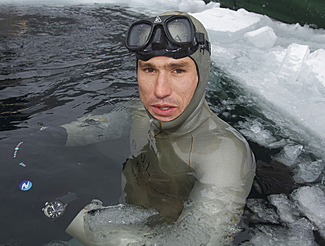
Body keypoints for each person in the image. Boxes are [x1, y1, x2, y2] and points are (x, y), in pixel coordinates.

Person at [41, 11, 256, 245]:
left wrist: (65, 213)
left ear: (201, 74)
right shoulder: (138, 113)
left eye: (178, 70)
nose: (160, 91)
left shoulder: (225, 154)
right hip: (114, 232)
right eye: (149, 70)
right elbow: (94, 128)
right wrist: (44, 137)